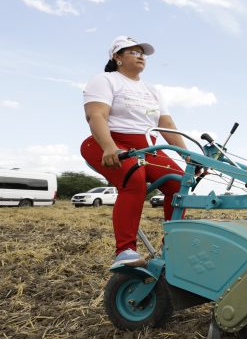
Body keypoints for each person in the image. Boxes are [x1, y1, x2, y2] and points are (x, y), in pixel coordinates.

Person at [80, 36, 187, 268]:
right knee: (134, 180)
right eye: (133, 52)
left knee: (180, 185)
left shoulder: (152, 90)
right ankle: (125, 251)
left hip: (148, 146)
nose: (140, 56)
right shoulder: (105, 80)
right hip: (110, 141)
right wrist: (109, 146)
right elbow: (96, 115)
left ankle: (174, 246)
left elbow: (166, 125)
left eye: (142, 53)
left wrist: (187, 155)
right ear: (117, 57)